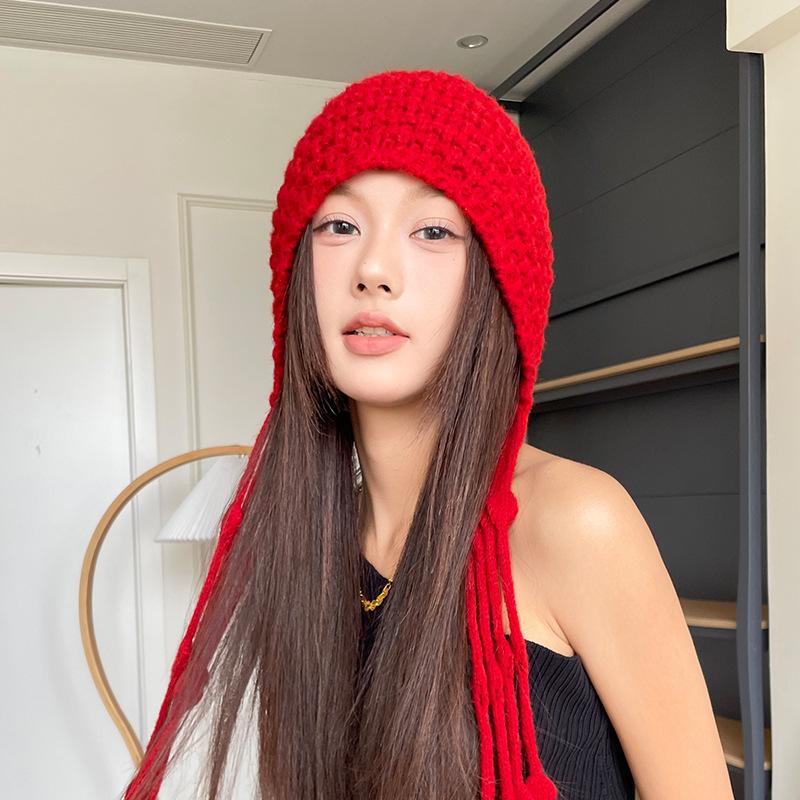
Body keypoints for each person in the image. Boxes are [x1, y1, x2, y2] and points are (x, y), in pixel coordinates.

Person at [122, 70, 734, 800]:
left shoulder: (574, 520)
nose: (374, 271)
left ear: (496, 283)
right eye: (340, 226)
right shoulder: (313, 541)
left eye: (434, 231)